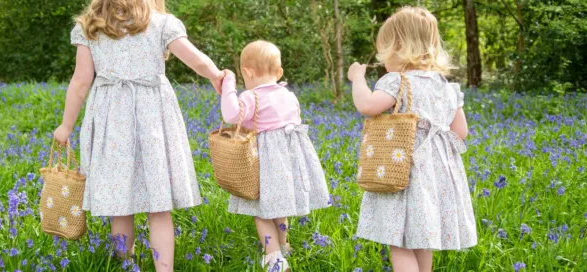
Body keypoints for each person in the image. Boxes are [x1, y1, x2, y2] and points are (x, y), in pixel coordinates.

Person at [52, 0, 224, 270]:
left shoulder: (90, 25)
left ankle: (126, 264)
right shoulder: (161, 23)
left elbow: (81, 80)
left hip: (111, 120)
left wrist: (66, 125)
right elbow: (195, 59)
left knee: (120, 204)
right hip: (152, 117)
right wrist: (216, 75)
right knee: (159, 206)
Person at [348, 6, 477, 272]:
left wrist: (357, 79)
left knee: (401, 240)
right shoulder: (446, 86)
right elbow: (460, 133)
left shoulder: (397, 80)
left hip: (406, 170)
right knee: (421, 238)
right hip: (438, 173)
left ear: (397, 47)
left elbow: (368, 105)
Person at [220, 40, 331, 272]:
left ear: (247, 72)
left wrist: (228, 86)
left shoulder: (252, 97)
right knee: (279, 208)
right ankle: (284, 244)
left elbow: (231, 115)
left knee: (261, 213)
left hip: (263, 165)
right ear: (279, 72)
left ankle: (274, 258)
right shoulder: (289, 95)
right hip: (288, 164)